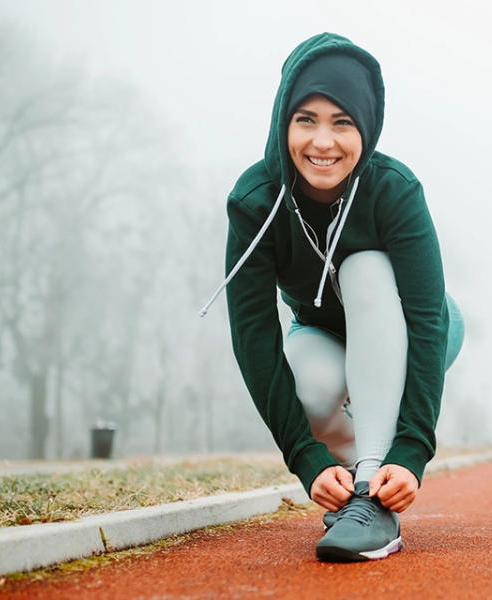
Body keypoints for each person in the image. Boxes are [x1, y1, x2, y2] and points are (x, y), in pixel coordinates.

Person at [198, 32, 463, 562]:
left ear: (365, 127)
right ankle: (361, 491)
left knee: (363, 265)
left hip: (416, 326)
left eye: (342, 123)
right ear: (283, 124)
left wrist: (410, 453)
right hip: (322, 331)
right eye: (306, 120)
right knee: (315, 389)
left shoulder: (394, 190)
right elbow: (254, 335)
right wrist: (307, 460)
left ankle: (371, 495)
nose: (323, 142)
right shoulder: (254, 201)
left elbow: (428, 321)